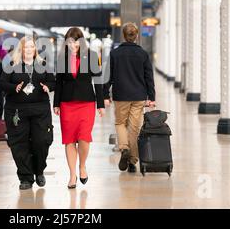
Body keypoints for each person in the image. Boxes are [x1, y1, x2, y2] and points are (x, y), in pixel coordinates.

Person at [0, 36, 55, 190]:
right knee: (19, 145)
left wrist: (48, 87)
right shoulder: (12, 65)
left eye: (32, 47)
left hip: (40, 110)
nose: (29, 49)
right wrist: (14, 88)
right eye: (26, 47)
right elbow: (2, 83)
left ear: (35, 49)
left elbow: (53, 81)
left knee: (42, 142)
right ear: (21, 49)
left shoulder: (43, 65)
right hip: (17, 111)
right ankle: (25, 178)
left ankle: (39, 171)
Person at [53, 27, 105, 189]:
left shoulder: (92, 56)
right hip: (67, 103)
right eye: (70, 42)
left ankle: (82, 166)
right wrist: (55, 103)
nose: (73, 44)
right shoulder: (62, 58)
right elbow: (58, 83)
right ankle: (72, 175)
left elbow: (98, 81)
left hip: (87, 103)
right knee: (69, 140)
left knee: (84, 138)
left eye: (76, 41)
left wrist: (101, 104)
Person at [103, 23, 156, 173]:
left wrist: (105, 95)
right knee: (134, 128)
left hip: (121, 95)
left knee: (120, 123)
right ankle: (133, 162)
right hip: (139, 96)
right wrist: (151, 97)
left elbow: (108, 76)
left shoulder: (115, 54)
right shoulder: (143, 54)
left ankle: (124, 148)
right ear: (137, 36)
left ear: (124, 36)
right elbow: (149, 77)